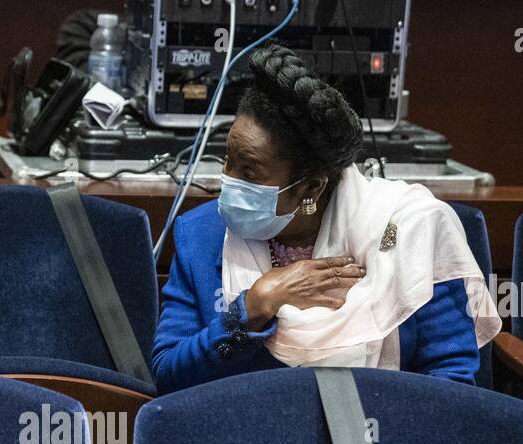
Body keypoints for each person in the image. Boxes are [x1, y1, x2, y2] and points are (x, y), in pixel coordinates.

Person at [152, 45, 499, 394]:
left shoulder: (406, 229)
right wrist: (252, 310)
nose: (227, 180)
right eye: (227, 161)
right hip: (246, 437)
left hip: (383, 435)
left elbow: (451, 378)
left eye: (250, 171)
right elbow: (169, 375)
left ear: (311, 188)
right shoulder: (202, 234)